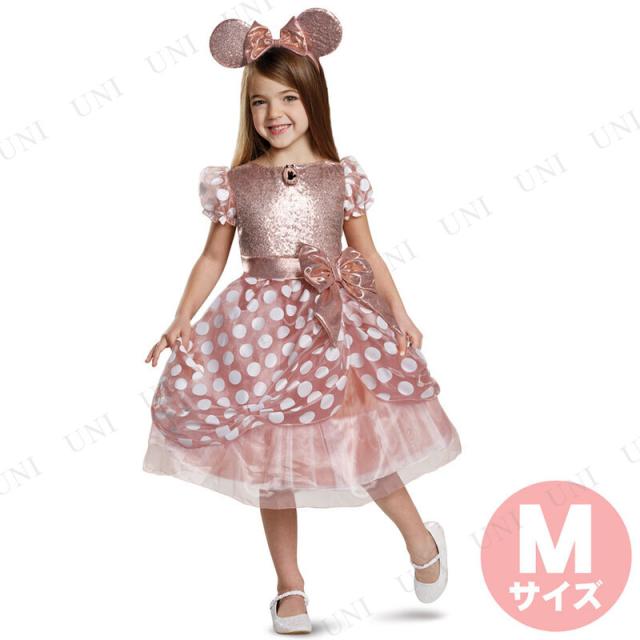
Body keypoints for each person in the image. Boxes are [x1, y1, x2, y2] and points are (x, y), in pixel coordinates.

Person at [142, 8, 462, 633]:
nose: (274, 113)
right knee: (271, 459)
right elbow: (212, 258)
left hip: (331, 325)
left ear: (313, 97)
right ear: (247, 110)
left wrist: (400, 312)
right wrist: (181, 317)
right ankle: (290, 587)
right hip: (257, 334)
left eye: (288, 97)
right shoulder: (235, 182)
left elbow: (368, 254)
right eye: (259, 102)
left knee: (362, 442)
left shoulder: (341, 178)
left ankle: (421, 539)